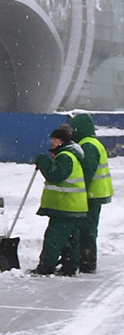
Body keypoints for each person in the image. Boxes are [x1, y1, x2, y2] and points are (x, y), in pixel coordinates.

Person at [32, 124, 87, 276]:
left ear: (62, 141)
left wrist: (43, 162)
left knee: (54, 238)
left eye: (55, 139)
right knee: (71, 240)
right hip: (73, 206)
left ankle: (46, 267)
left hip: (65, 206)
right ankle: (70, 267)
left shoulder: (65, 157)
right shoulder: (70, 155)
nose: (52, 142)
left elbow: (54, 175)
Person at [70, 112, 110, 273]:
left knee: (87, 230)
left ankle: (87, 262)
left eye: (74, 128)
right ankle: (85, 259)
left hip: (91, 195)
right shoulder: (92, 142)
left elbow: (86, 171)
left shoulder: (88, 145)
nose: (73, 132)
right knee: (88, 228)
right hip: (95, 194)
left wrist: (77, 193)